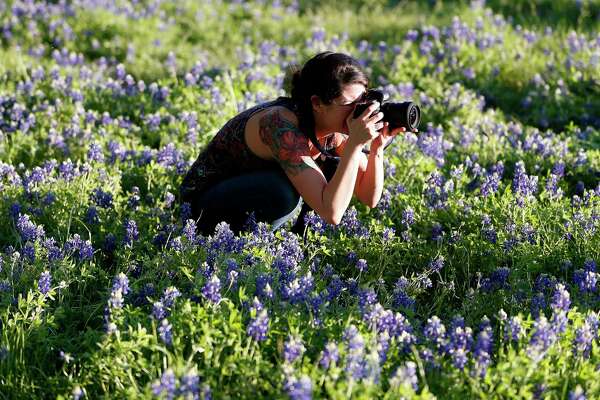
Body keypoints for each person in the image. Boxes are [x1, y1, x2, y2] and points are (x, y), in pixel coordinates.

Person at [179, 51, 412, 236]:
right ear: (317, 103)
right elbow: (332, 212)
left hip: (243, 198)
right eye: (350, 104)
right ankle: (243, 249)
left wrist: (376, 149)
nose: (359, 111)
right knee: (283, 191)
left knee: (335, 169)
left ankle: (295, 243)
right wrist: (353, 147)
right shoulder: (278, 125)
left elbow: (368, 197)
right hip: (202, 207)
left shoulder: (333, 127)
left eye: (363, 101)